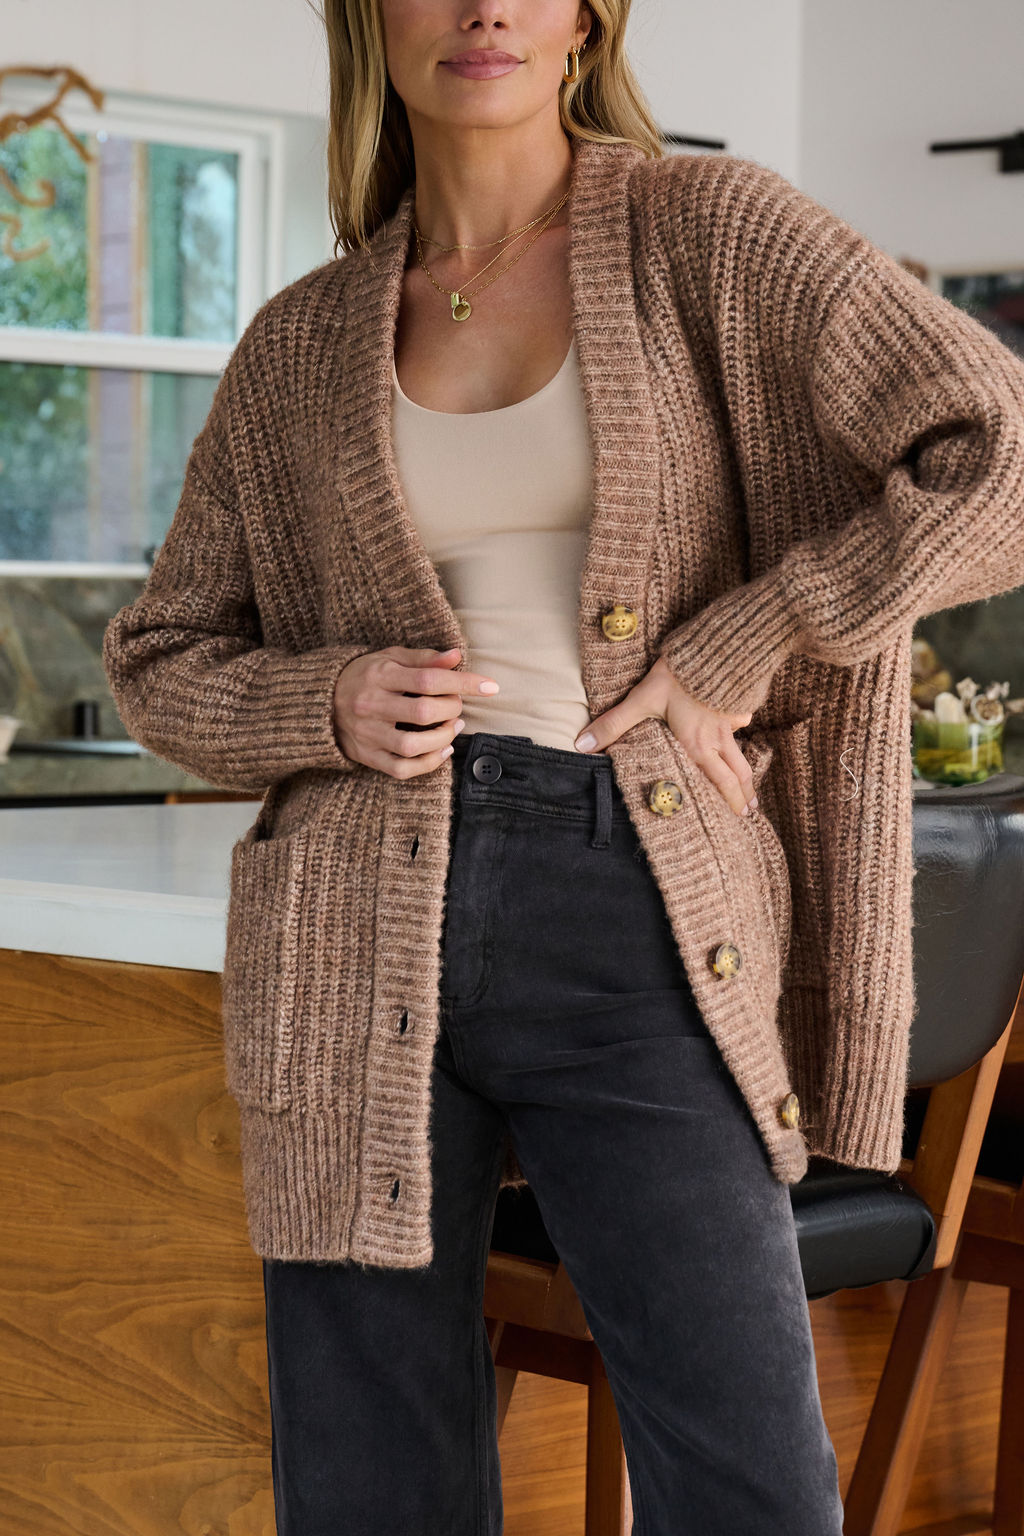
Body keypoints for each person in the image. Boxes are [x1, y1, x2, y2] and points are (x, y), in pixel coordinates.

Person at [101, 2, 1024, 1532]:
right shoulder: (300, 341)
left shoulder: (711, 232)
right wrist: (325, 701)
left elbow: (995, 448)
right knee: (368, 1479)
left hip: (633, 890)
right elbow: (161, 653)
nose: (484, 9)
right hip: (345, 919)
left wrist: (742, 643)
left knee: (747, 1477)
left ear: (589, 15)